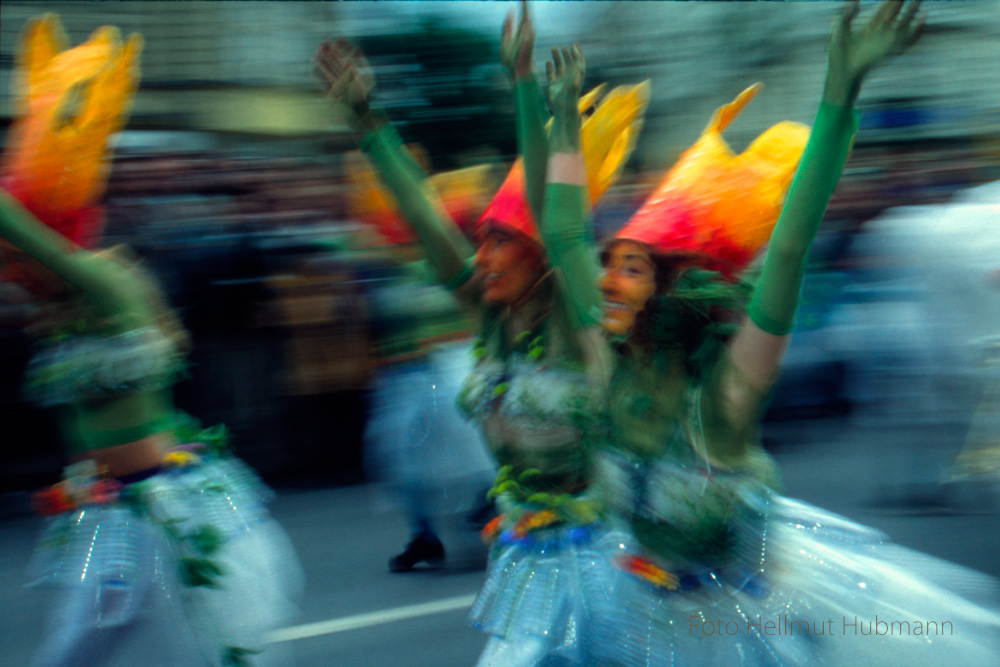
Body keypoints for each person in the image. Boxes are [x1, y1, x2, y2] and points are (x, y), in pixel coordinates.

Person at [541, 1, 1000, 664]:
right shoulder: (604, 365)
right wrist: (557, 123)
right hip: (641, 624)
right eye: (607, 264)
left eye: (630, 268)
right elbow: (560, 236)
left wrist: (841, 91)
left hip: (746, 634)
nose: (604, 280)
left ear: (670, 294)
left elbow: (788, 247)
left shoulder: (726, 394)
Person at [313, 2, 647, 662]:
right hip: (522, 554)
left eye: (499, 243)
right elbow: (423, 219)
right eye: (481, 241)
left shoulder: (581, 320)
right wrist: (364, 118)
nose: (482, 257)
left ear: (540, 256)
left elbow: (566, 226)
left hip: (606, 556)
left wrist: (527, 87)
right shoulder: (488, 313)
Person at [0, 14, 302, 666]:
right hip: (109, 512)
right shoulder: (56, 308)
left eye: (17, 259)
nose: (12, 272)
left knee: (199, 648)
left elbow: (15, 225)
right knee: (76, 645)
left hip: (169, 507)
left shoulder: (109, 284)